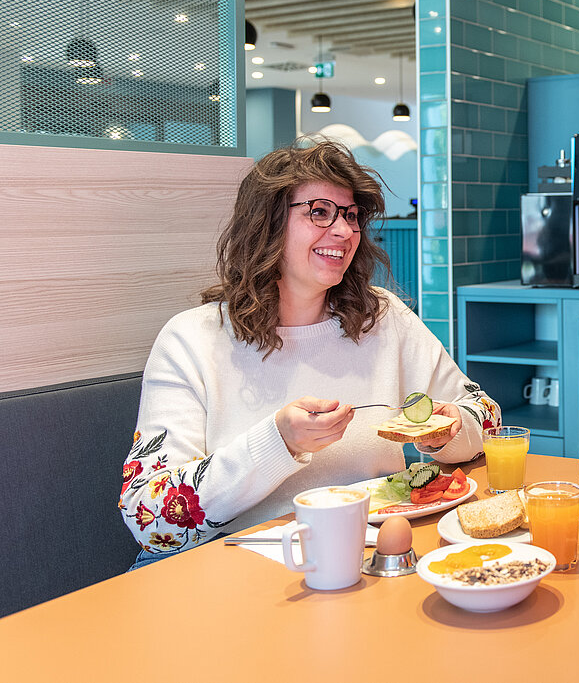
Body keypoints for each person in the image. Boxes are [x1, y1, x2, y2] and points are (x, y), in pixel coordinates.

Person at [118, 139, 499, 563]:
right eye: (319, 212)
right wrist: (277, 442)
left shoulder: (384, 318)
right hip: (230, 566)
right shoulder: (193, 339)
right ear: (267, 224)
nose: (344, 231)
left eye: (351, 216)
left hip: (365, 559)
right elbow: (150, 517)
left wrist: (448, 431)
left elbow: (486, 414)